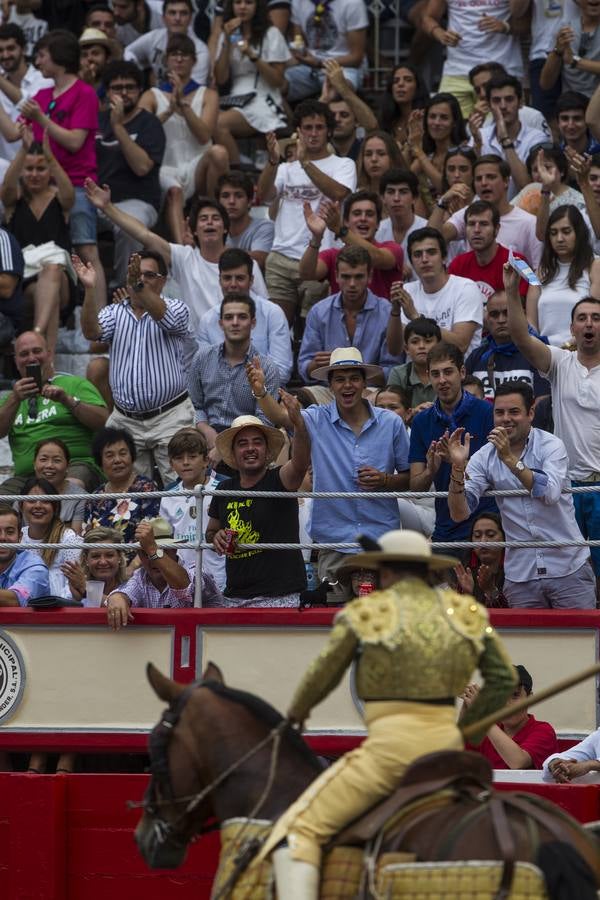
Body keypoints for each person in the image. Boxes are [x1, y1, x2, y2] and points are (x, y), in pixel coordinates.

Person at [257, 528, 516, 897]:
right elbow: (504, 679)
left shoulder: (366, 611)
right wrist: (469, 733)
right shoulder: (464, 610)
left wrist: (296, 714)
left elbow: (323, 673)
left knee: (299, 829)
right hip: (447, 751)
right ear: (427, 571)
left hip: (388, 756)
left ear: (385, 572)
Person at [250, 347, 410, 598]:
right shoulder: (316, 418)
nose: (347, 385)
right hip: (334, 542)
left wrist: (386, 479)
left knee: (385, 623)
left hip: (382, 542)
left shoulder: (391, 423)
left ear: (364, 384)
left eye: (354, 378)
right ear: (330, 385)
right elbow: (281, 416)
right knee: (332, 625)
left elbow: (409, 479)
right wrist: (260, 391)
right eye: (339, 379)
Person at [447, 381, 597, 609]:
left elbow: (549, 492)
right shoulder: (484, 456)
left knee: (584, 643)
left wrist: (509, 459)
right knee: (526, 645)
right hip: (521, 576)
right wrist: (457, 469)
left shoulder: (552, 445)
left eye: (514, 412)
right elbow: (460, 513)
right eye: (499, 412)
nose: (506, 418)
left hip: (568, 569)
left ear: (531, 413)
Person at [505, 262, 600, 589]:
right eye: (582, 318)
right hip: (567, 486)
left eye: (596, 318)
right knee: (574, 572)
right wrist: (510, 290)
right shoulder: (560, 362)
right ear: (572, 328)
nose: (589, 324)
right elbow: (520, 337)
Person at [76, 250, 194, 486]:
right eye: (135, 274)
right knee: (131, 496)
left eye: (149, 275)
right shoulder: (113, 313)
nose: (140, 280)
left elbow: (165, 317)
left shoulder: (177, 308)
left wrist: (138, 286)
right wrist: (90, 289)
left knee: (182, 489)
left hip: (170, 415)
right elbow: (92, 333)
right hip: (126, 420)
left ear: (162, 280)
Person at [83, 186, 267, 333]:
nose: (210, 222)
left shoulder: (244, 263)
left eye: (215, 218)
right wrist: (108, 208)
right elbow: (143, 234)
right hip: (199, 348)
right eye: (203, 219)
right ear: (194, 230)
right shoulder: (184, 257)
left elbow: (264, 306)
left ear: (225, 228)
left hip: (240, 339)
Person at [20, 30, 106, 309]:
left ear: (58, 56)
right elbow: (16, 133)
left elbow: (74, 140)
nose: (38, 61)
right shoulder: (41, 94)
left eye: (43, 55)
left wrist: (40, 118)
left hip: (78, 183)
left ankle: (102, 319)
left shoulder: (85, 93)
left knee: (86, 249)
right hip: (40, 186)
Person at [258, 99, 357, 325]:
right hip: (281, 256)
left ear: (329, 131)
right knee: (278, 327)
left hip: (320, 258)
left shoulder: (343, 164)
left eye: (319, 127)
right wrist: (273, 162)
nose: (313, 133)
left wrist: (305, 163)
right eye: (308, 128)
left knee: (312, 329)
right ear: (299, 132)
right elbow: (264, 195)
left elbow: (338, 192)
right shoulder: (285, 168)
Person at [206, 396, 309, 607]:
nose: (250, 448)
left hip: (282, 597)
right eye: (242, 444)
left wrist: (298, 425)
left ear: (267, 450)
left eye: (257, 442)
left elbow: (300, 463)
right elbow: (210, 532)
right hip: (235, 597)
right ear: (233, 453)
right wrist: (216, 537)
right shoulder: (224, 489)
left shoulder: (280, 478)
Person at [409, 341, 496, 548]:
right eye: (436, 374)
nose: (442, 380)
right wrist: (431, 470)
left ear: (462, 372)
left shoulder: (487, 412)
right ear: (429, 376)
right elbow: (415, 488)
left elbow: (497, 476)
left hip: (486, 528)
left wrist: (459, 464)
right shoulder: (421, 421)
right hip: (445, 528)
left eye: (448, 372)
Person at [139, 34, 224, 244]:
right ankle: (180, 250)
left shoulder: (208, 94)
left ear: (194, 61)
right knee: (174, 191)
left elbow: (204, 136)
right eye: (174, 54)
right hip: (166, 166)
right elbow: (141, 132)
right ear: (166, 60)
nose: (179, 59)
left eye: (185, 55)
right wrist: (168, 110)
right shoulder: (151, 95)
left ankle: (215, 218)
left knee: (219, 152)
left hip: (197, 163)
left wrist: (184, 106)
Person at [0, 331, 109, 493]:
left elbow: (104, 422)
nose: (31, 358)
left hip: (75, 467)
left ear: (49, 354)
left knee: (69, 488)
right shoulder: (11, 398)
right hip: (27, 477)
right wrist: (15, 398)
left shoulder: (75, 384)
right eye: (24, 354)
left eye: (37, 351)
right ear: (16, 361)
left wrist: (68, 400)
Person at [1, 126, 74, 355]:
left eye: (40, 169)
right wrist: (23, 150)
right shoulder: (15, 202)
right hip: (26, 284)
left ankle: (38, 336)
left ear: (49, 171)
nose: (34, 174)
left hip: (60, 280)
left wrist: (50, 156)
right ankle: (46, 357)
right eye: (29, 169)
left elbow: (70, 192)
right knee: (46, 295)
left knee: (51, 271)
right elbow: (6, 189)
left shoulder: (59, 200)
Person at [95, 60, 165, 288]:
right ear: (107, 92)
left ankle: (126, 290)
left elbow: (142, 167)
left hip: (136, 201)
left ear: (139, 91)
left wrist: (118, 127)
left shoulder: (149, 123)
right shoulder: (96, 120)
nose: (124, 93)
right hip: (97, 201)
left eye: (130, 87)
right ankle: (80, 289)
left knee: (129, 227)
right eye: (117, 88)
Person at [189, 293, 280, 466]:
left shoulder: (266, 368)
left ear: (253, 323)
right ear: (220, 323)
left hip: (247, 445)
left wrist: (224, 446)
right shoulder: (202, 358)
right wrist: (206, 430)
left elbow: (264, 420)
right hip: (204, 439)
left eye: (242, 317)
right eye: (229, 317)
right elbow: (194, 404)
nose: (235, 322)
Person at [297, 245, 396, 384]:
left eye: (359, 276)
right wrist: (317, 365)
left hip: (373, 392)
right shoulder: (319, 311)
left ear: (370, 276)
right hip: (328, 390)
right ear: (336, 276)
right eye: (346, 276)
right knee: (302, 396)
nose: (352, 284)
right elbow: (304, 366)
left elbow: (394, 369)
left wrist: (355, 371)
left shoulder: (387, 312)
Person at [196, 247, 292, 383]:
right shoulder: (207, 320)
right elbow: (205, 371)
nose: (233, 284)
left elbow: (282, 371)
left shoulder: (272, 313)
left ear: (251, 280)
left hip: (267, 396)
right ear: (219, 280)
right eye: (227, 278)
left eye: (240, 278)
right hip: (221, 398)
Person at [430, 155, 543, 270]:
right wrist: (443, 202)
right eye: (478, 179)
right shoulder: (468, 214)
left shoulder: (529, 223)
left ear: (506, 181)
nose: (484, 183)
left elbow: (538, 271)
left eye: (491, 177)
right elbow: (432, 238)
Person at [213, 0, 290, 165]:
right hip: (236, 97)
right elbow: (220, 78)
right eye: (237, 2)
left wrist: (252, 54)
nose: (242, 7)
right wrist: (226, 39)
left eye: (248, 2)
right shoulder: (228, 33)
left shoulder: (271, 33)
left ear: (257, 7)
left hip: (264, 96)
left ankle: (238, 171)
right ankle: (240, 164)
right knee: (208, 119)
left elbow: (277, 81)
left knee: (218, 123)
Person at [106, 517, 221, 628]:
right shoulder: (141, 576)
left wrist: (151, 549)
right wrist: (118, 597)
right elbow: (125, 592)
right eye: (145, 553)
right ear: (139, 555)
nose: (153, 560)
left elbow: (184, 586)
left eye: (162, 551)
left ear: (174, 550)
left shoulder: (196, 570)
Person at [387, 227, 485, 356]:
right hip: (417, 373)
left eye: (431, 252)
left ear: (444, 257)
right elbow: (395, 350)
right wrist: (395, 312)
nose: (424, 259)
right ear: (411, 262)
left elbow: (460, 345)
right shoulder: (407, 291)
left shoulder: (465, 288)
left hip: (457, 372)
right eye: (417, 255)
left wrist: (416, 317)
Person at [422, 0, 525, 117]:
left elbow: (528, 21)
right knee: (446, 126)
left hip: (501, 70)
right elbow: (427, 18)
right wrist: (440, 34)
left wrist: (505, 26)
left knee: (505, 130)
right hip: (457, 71)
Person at [299, 190, 404, 301]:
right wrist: (316, 237)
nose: (363, 218)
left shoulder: (393, 248)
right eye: (357, 213)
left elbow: (376, 257)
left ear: (378, 223)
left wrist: (339, 230)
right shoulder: (332, 255)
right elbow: (307, 274)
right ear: (346, 222)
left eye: (369, 214)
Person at [159, 426, 225, 589]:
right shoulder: (167, 496)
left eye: (193, 456)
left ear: (205, 461)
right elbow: (164, 541)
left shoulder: (222, 489)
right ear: (171, 464)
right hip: (183, 579)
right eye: (179, 458)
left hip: (220, 576)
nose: (186, 462)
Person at [527, 205, 600, 348]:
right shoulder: (540, 271)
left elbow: (596, 316)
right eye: (553, 233)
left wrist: (568, 345)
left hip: (583, 351)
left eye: (566, 232)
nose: (559, 238)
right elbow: (531, 322)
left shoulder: (595, 266)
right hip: (546, 354)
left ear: (579, 233)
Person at [463, 665, 558, 769]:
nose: (506, 704)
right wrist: (467, 704)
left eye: (515, 695)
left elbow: (518, 762)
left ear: (530, 699)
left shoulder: (544, 730)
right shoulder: (485, 731)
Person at [83, 426, 160, 552]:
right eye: (109, 455)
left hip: (139, 565)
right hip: (102, 565)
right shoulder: (94, 498)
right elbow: (87, 539)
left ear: (132, 457)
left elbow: (153, 537)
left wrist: (130, 569)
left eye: (123, 453)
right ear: (100, 462)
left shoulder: (146, 488)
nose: (117, 460)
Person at [465, 290, 550, 401]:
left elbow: (542, 405)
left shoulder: (537, 353)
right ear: (487, 319)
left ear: (522, 315)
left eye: (507, 313)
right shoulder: (476, 357)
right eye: (494, 314)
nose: (501, 320)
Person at [475, 73, 547, 199]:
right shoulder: (480, 135)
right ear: (489, 105)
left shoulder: (537, 138)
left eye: (509, 99)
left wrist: (505, 140)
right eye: (496, 100)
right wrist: (476, 145)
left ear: (520, 102)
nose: (503, 106)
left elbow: (527, 188)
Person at [284, 0, 367, 102]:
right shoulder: (298, 2)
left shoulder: (352, 3)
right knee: (277, 85)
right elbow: (299, 43)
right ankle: (289, 117)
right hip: (309, 67)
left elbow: (356, 58)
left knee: (338, 91)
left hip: (344, 67)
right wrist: (299, 55)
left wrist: (319, 63)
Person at [448, 201, 529, 304]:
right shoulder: (457, 265)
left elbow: (525, 307)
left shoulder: (519, 263)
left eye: (484, 224)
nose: (476, 230)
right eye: (471, 224)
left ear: (496, 229)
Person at [20, 476, 82, 598]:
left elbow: (76, 584)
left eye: (45, 501)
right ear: (21, 505)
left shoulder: (69, 539)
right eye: (31, 501)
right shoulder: (18, 537)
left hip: (60, 608)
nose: (38, 506)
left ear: (55, 507)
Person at [124, 0, 210, 86]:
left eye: (183, 13)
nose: (177, 18)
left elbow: (195, 90)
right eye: (172, 13)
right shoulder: (154, 37)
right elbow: (127, 52)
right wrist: (138, 71)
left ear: (190, 18)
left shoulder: (200, 50)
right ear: (163, 18)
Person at [0, 23, 53, 164]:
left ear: (23, 49)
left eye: (10, 48)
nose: (5, 55)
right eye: (0, 50)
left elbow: (26, 105)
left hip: (39, 168)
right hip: (5, 171)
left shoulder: (44, 80)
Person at [409, 93, 468, 198]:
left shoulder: (463, 152)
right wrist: (412, 138)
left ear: (454, 122)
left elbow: (445, 188)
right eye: (432, 116)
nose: (436, 122)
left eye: (444, 118)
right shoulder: (427, 155)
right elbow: (405, 180)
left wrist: (418, 151)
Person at [540, 0, 600, 99]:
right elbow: (545, 84)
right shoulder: (564, 30)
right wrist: (557, 52)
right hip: (571, 106)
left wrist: (574, 61)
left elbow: (571, 60)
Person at [322, 59, 378, 161]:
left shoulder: (365, 147)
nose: (337, 119)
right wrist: (324, 99)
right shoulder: (319, 149)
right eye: (332, 115)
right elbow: (304, 130)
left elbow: (372, 126)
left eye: (344, 115)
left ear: (357, 122)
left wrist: (343, 87)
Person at [218, 171, 274, 271]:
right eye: (225, 196)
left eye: (238, 196)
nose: (231, 201)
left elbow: (258, 261)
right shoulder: (214, 228)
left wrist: (216, 250)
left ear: (249, 201)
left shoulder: (264, 226)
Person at [387, 317, 441, 414]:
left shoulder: (448, 373)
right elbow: (391, 412)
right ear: (406, 349)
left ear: (439, 346)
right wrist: (413, 413)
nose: (421, 346)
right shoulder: (398, 373)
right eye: (415, 342)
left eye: (428, 341)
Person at [454, 512, 508, 608]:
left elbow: (511, 617)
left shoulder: (514, 569)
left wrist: (491, 591)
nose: (483, 541)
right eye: (477, 536)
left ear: (504, 538)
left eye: (490, 535)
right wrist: (467, 594)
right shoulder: (466, 569)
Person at [62, 525, 127, 604]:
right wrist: (75, 599)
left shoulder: (131, 586)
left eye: (109, 555)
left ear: (119, 557)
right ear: (86, 559)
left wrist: (86, 589)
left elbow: (118, 606)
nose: (103, 562)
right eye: (95, 556)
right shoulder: (76, 585)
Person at [0, 503, 49, 606]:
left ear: (20, 537)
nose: (3, 538)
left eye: (10, 532)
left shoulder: (35, 568)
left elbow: (15, 600)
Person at [33, 438, 87, 532]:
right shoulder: (24, 496)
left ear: (67, 466)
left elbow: (74, 540)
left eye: (57, 460)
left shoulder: (80, 498)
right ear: (34, 464)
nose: (49, 465)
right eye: (43, 459)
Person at [375, 169, 427, 265]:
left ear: (414, 198)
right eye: (390, 192)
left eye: (403, 192)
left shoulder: (427, 228)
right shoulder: (376, 231)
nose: (396, 198)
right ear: (382, 198)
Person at [378, 63, 428, 150]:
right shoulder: (387, 121)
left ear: (418, 87)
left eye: (408, 80)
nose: (400, 84)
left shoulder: (425, 118)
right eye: (395, 81)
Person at [356, 130, 405, 194]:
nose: (374, 159)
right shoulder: (356, 194)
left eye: (381, 154)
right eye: (368, 154)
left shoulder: (406, 192)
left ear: (393, 158)